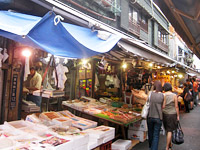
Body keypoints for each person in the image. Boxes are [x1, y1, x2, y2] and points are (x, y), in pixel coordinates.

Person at [147, 80, 164, 150]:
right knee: (156, 135)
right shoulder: (162, 95)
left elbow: (147, 102)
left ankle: (151, 146)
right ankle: (153, 148)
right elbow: (163, 106)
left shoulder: (150, 93)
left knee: (150, 133)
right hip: (158, 117)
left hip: (150, 116)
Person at [163, 83, 179, 150]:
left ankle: (169, 144)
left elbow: (163, 106)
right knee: (170, 130)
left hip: (164, 114)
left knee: (167, 129)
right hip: (172, 114)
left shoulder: (163, 95)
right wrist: (178, 115)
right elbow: (176, 106)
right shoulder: (174, 95)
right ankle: (167, 147)